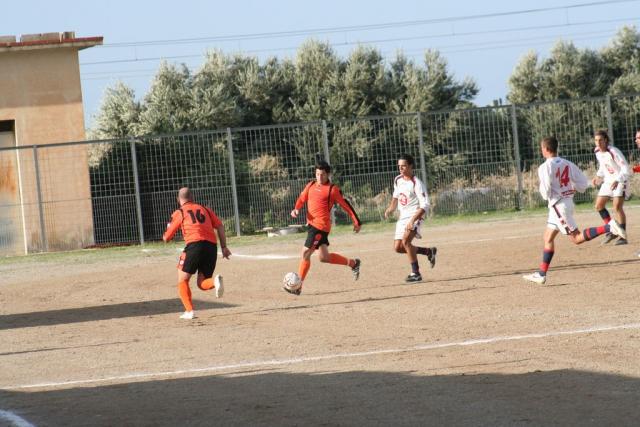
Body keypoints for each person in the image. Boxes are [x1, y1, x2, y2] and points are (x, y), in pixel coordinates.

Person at [523, 136, 626, 284]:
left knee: (576, 238)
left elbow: (545, 192)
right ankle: (541, 274)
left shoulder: (544, 167)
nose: (541, 150)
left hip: (558, 206)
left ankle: (609, 227)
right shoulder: (567, 163)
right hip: (565, 204)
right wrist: (569, 189)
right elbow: (582, 184)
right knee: (548, 237)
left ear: (545, 149)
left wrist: (550, 193)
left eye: (541, 148)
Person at [288, 160, 362, 295]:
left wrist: (356, 221)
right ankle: (353, 263)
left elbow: (346, 205)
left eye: (322, 174)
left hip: (320, 226)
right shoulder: (310, 185)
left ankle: (298, 286)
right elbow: (302, 198)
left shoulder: (332, 189)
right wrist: (296, 209)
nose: (319, 177)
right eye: (317, 174)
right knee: (324, 257)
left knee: (305, 253)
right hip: (312, 225)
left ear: (328, 174)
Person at [163, 187, 231, 319]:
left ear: (178, 199)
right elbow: (219, 226)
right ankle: (215, 282)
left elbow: (167, 237)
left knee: (182, 280)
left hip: (194, 245)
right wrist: (224, 247)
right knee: (202, 283)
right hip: (211, 247)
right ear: (192, 197)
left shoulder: (180, 211)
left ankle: (189, 311)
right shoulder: (205, 209)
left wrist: (166, 236)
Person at [384, 154, 436, 283]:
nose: (400, 168)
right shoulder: (398, 179)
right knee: (398, 248)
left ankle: (416, 273)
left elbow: (425, 204)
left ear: (411, 166)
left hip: (415, 215)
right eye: (399, 166)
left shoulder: (416, 183)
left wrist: (413, 220)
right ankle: (428, 252)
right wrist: (390, 208)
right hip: (403, 217)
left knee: (406, 242)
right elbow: (396, 196)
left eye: (403, 166)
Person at [591, 130, 631, 245]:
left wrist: (618, 180)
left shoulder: (613, 151)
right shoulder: (597, 151)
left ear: (606, 140)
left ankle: (623, 237)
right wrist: (598, 176)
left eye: (600, 140)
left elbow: (625, 168)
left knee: (617, 207)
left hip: (620, 181)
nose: (598, 143)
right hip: (608, 182)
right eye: (596, 140)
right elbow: (603, 166)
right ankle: (612, 230)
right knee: (599, 206)